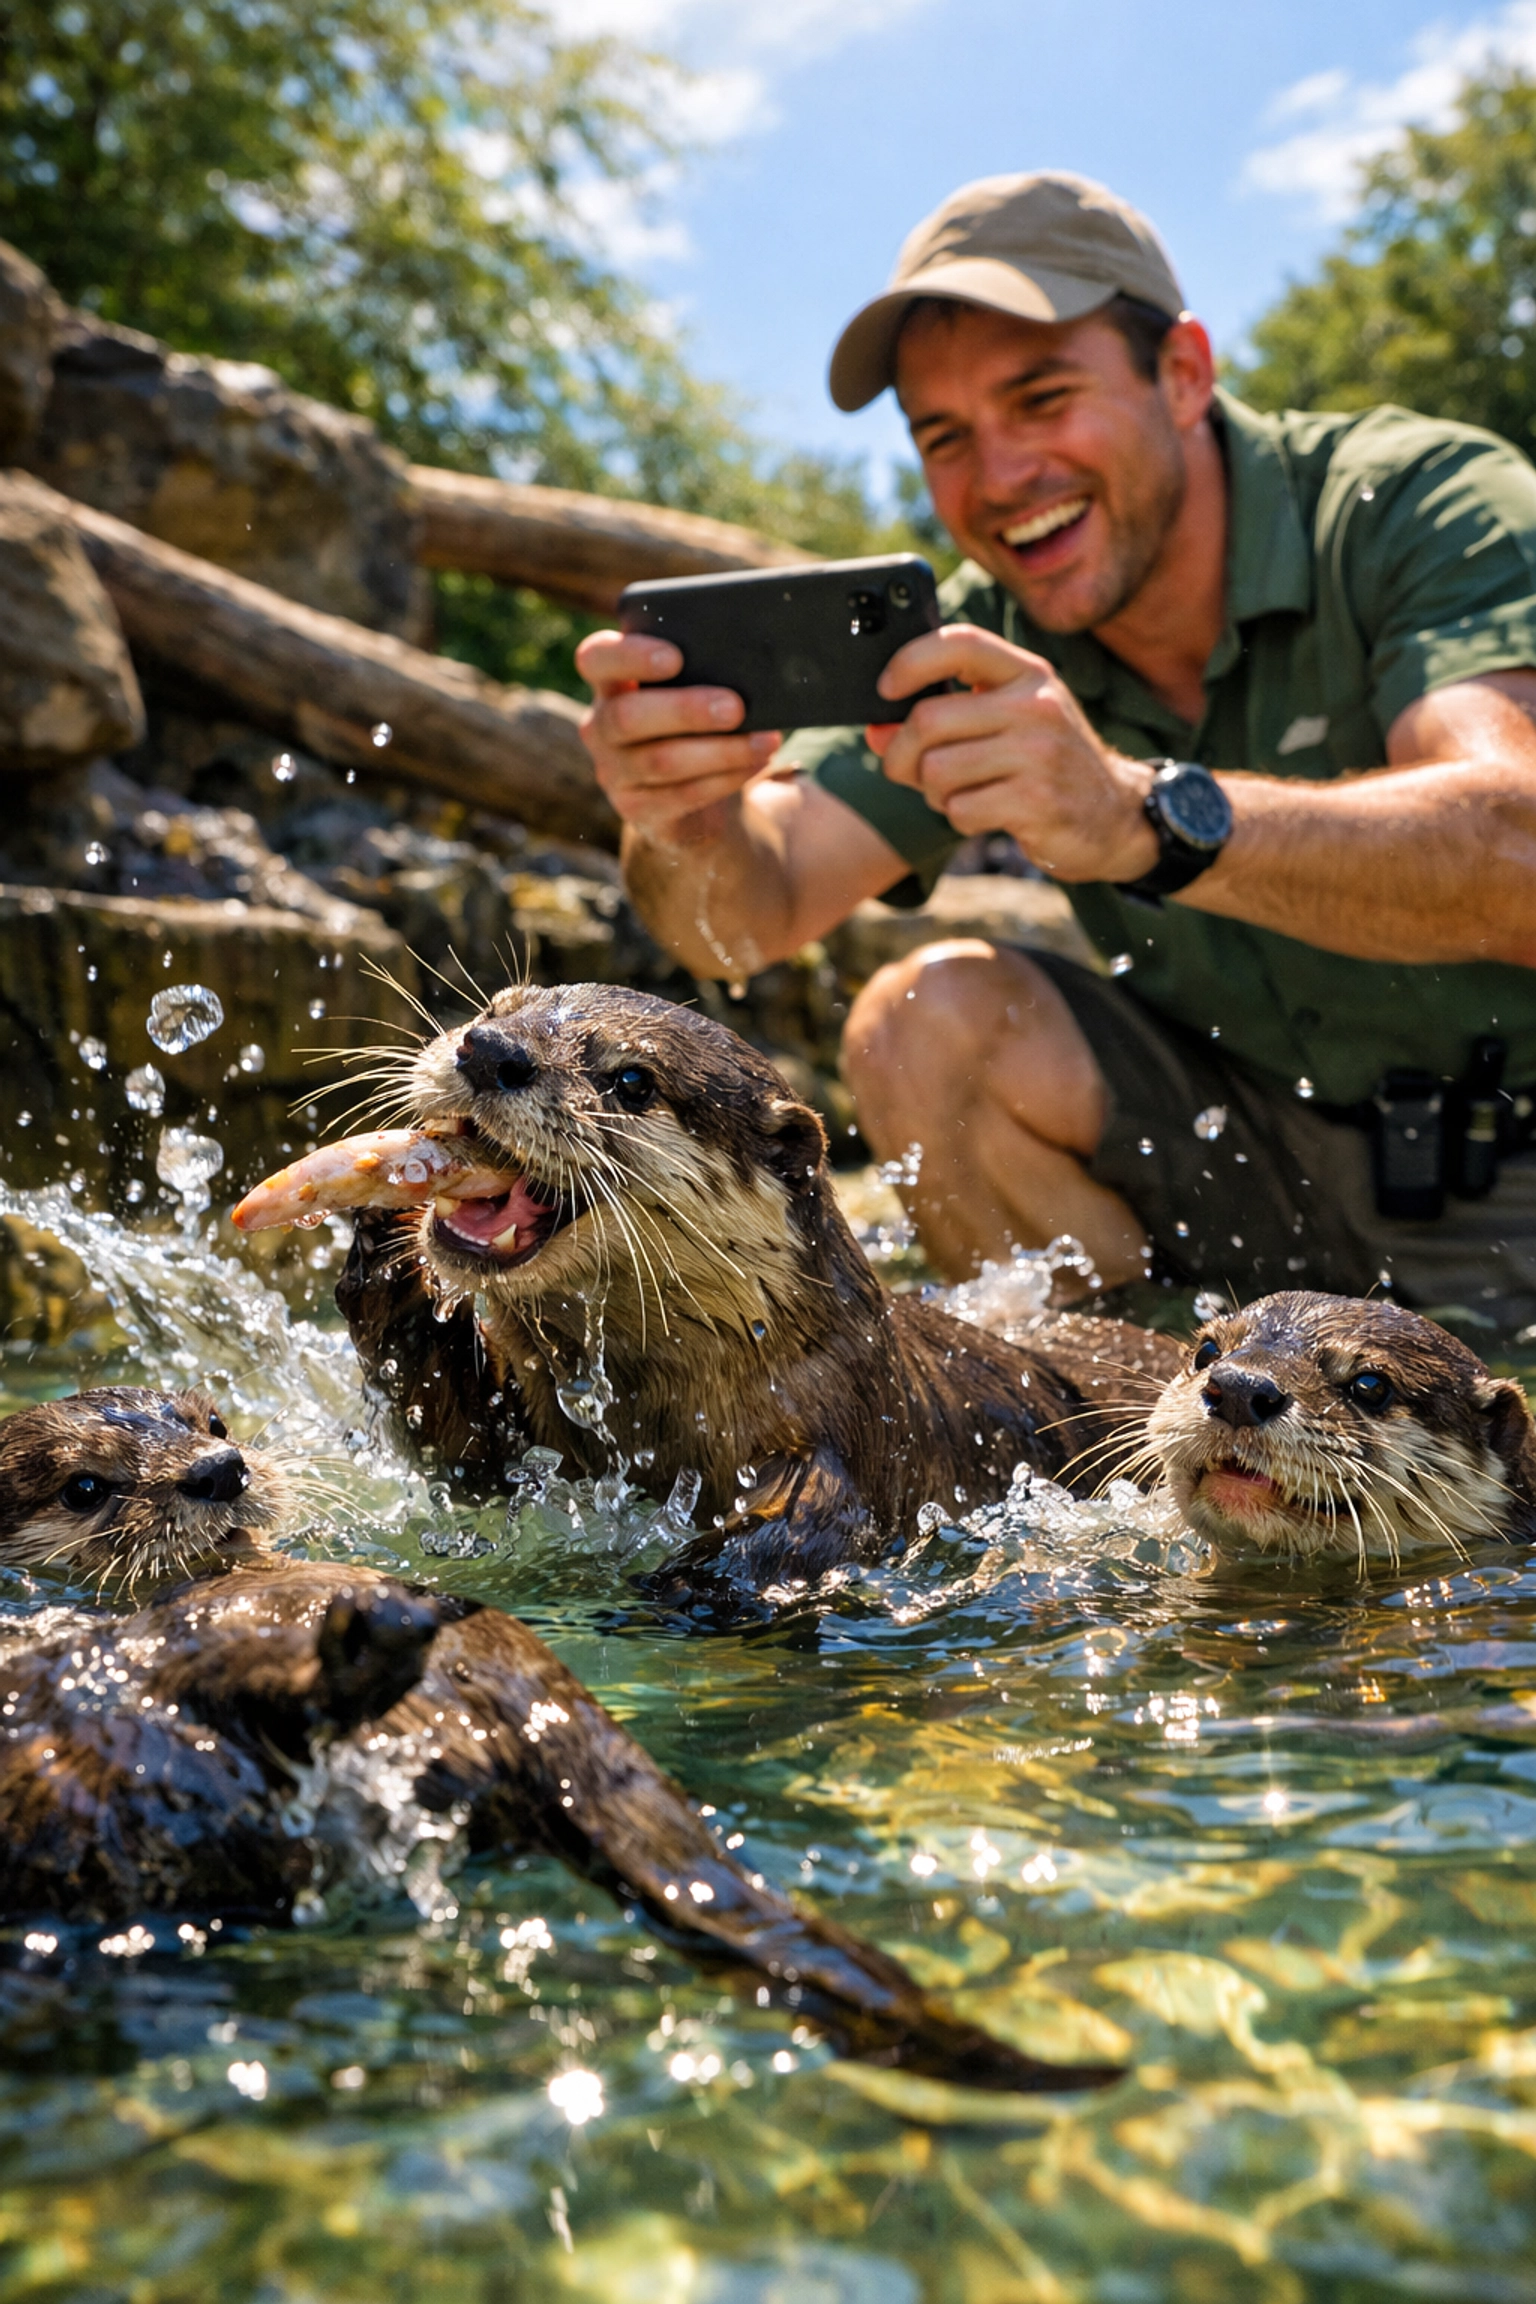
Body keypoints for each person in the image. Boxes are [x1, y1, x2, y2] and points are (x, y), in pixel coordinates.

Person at [576, 171, 1536, 1328]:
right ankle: (1114, 1442)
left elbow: (1517, 851)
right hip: (1250, 1168)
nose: (999, 478)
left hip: (1518, 1158)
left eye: (1041, 400)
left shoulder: (1419, 505)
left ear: (1183, 373)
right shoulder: (984, 635)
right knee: (922, 1019)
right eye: (946, 438)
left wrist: (1141, 818)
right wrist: (680, 818)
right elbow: (739, 922)